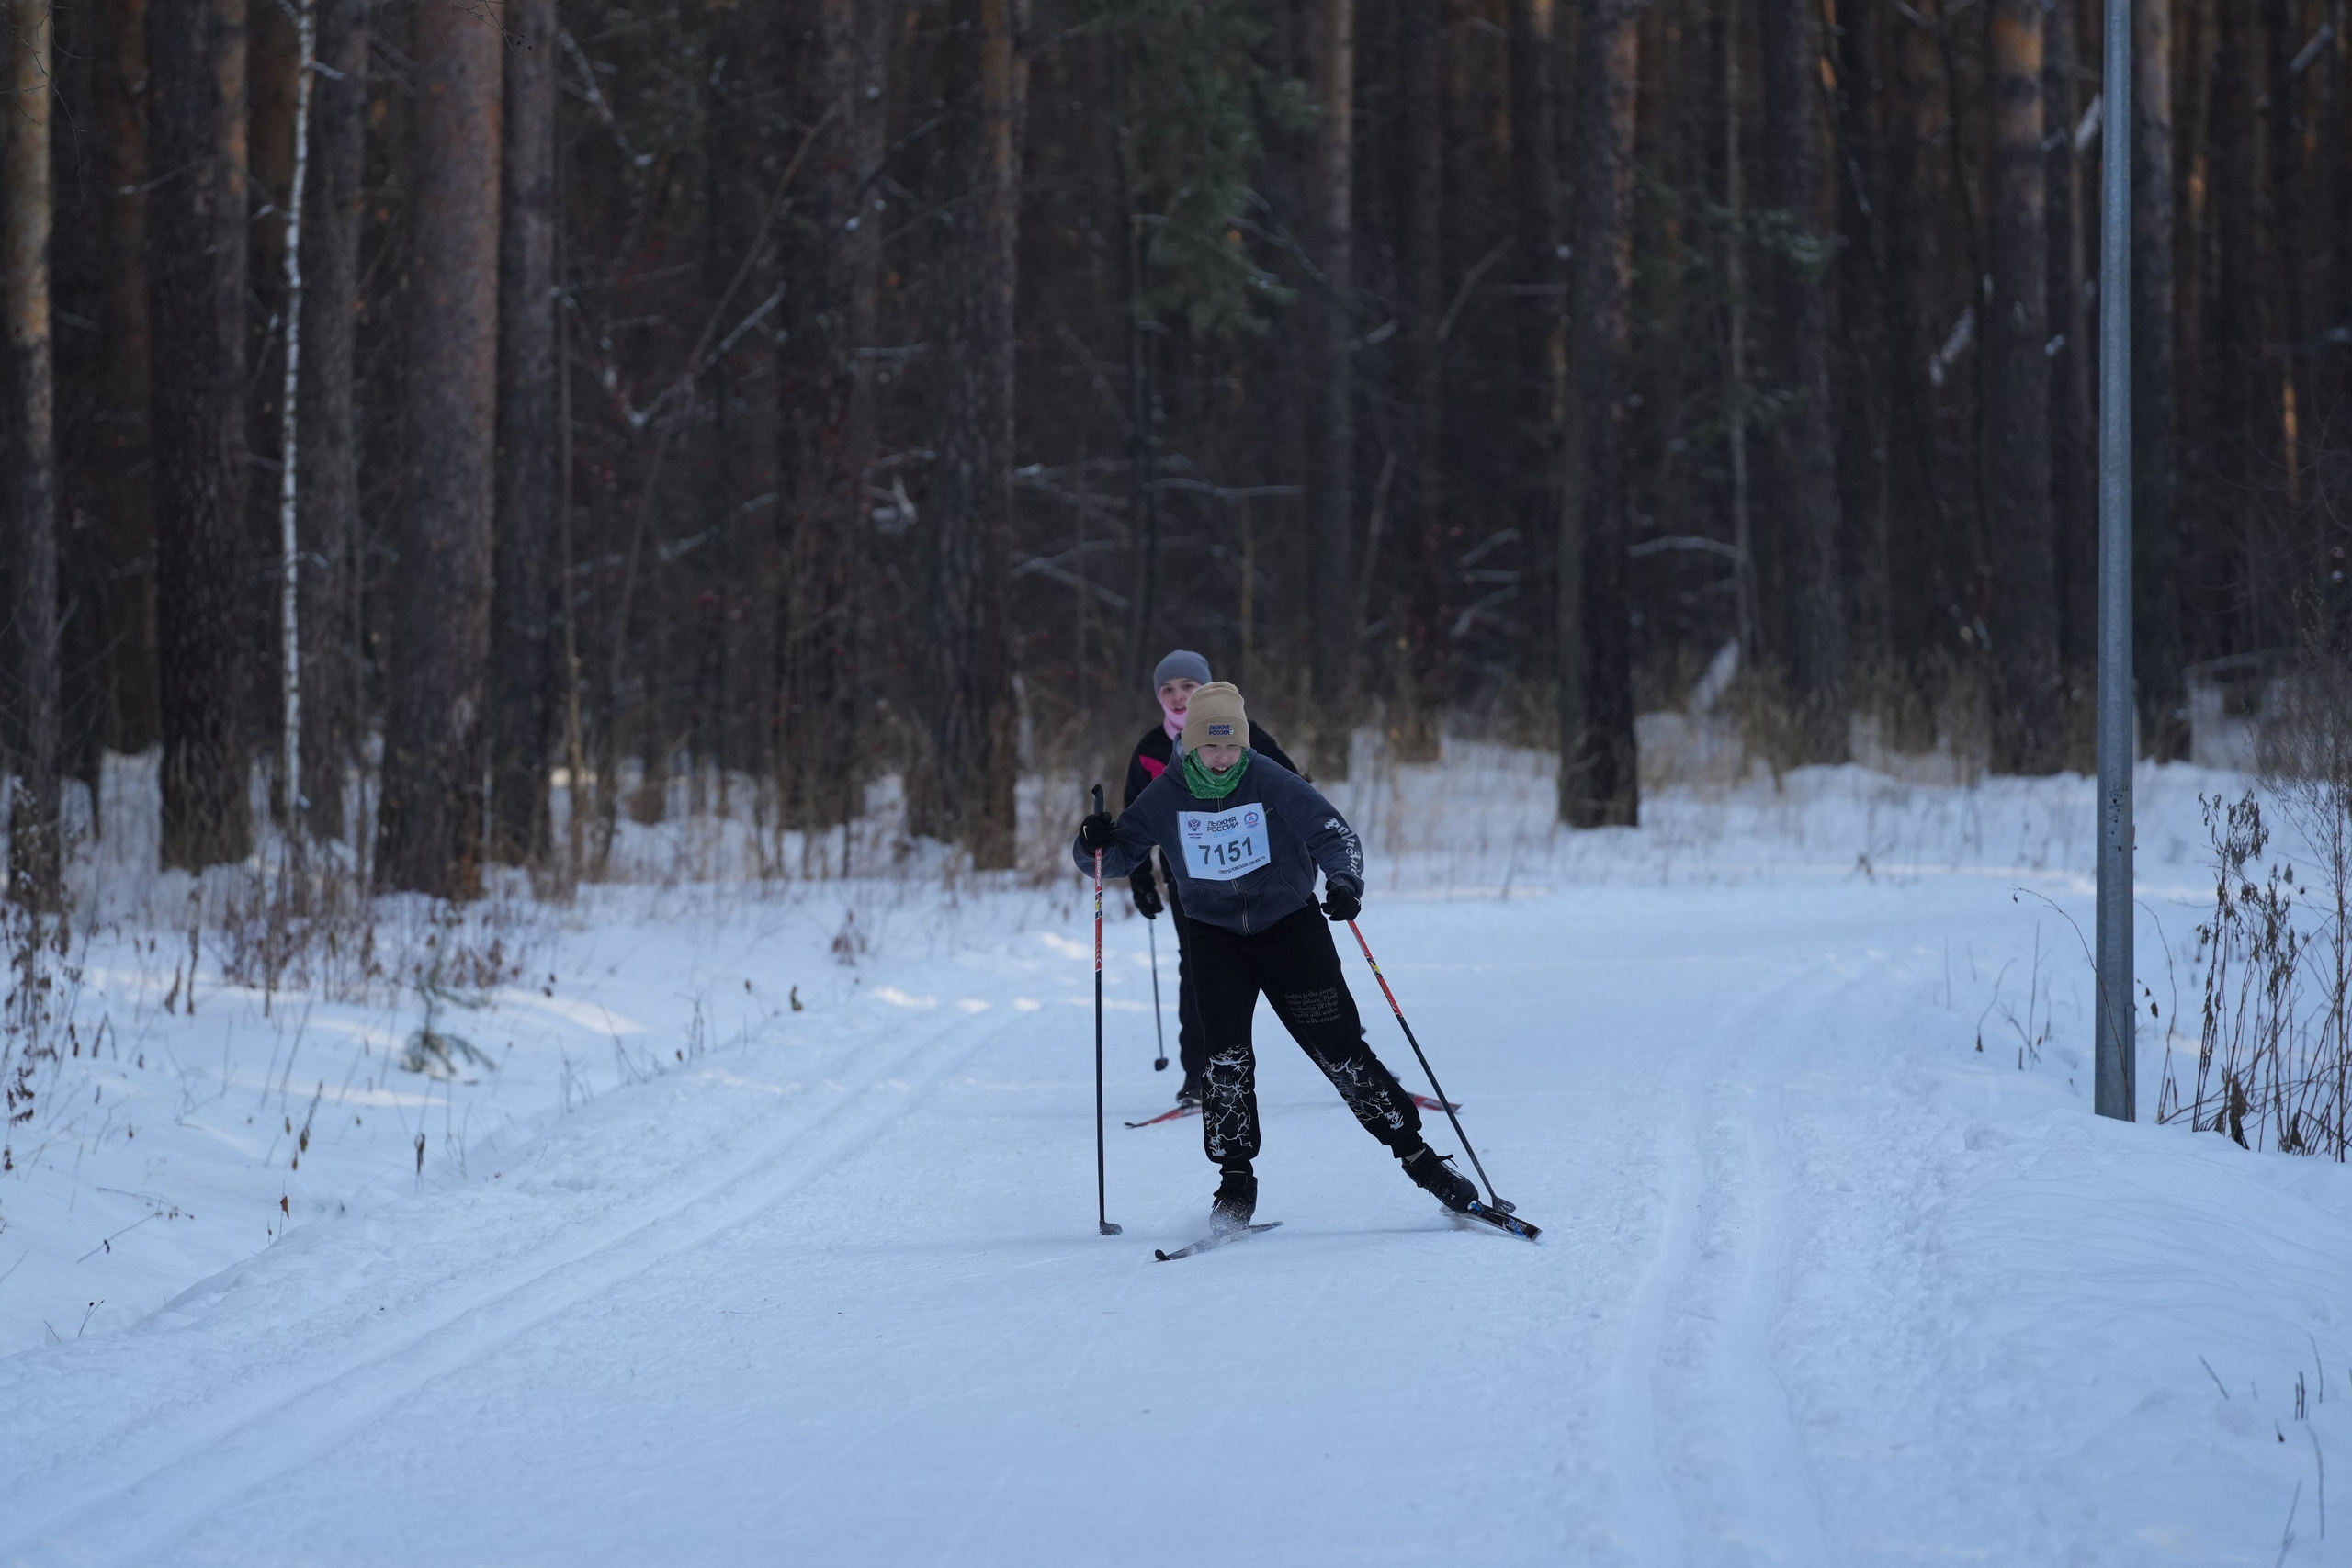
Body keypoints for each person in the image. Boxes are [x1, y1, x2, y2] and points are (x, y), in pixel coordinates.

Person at [1076, 682, 1480, 1233]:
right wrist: (1090, 839)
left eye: (1231, 746)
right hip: (1214, 938)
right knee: (1225, 1064)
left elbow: (1332, 831)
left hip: (1290, 930)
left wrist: (1344, 879)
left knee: (1341, 1052)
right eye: (1210, 748)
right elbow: (1114, 857)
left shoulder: (1268, 778)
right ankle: (1235, 1181)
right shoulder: (1167, 792)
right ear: (1190, 746)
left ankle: (1421, 1159)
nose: (1222, 760)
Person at [1123, 651, 1303, 1109]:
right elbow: (1133, 822)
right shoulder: (1148, 750)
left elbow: (1294, 793)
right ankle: (1198, 1077)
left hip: (1261, 878)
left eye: (1188, 686)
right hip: (1191, 882)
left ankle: (1347, 1054)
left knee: (1296, 961)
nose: (1179, 696)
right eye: (1168, 689)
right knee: (1198, 971)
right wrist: (1141, 881)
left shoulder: (1248, 736)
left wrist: (1305, 859)